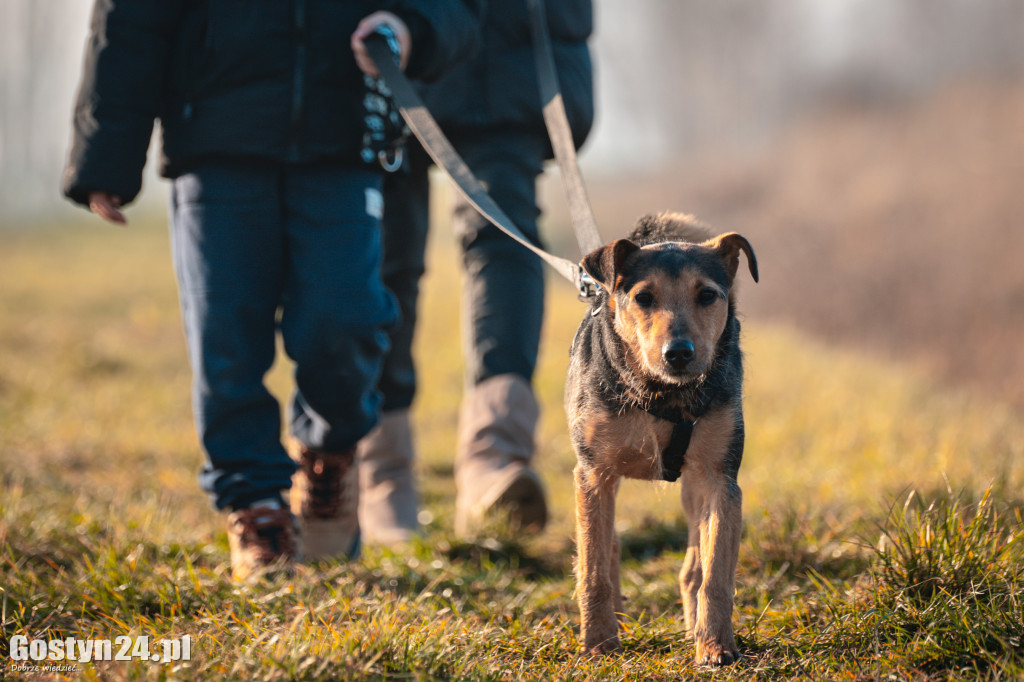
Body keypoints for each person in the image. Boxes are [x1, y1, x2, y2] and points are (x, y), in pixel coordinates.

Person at [62, 0, 481, 580]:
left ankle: (330, 457)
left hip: (345, 141)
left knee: (348, 319)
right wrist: (106, 153)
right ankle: (256, 510)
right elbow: (128, 21)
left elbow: (455, 9)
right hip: (213, 140)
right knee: (226, 337)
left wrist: (412, 30)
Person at [357, 1, 595, 543]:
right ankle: (382, 473)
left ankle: (496, 460)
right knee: (385, 253)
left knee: (507, 242)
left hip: (507, 45)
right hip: (385, 35)